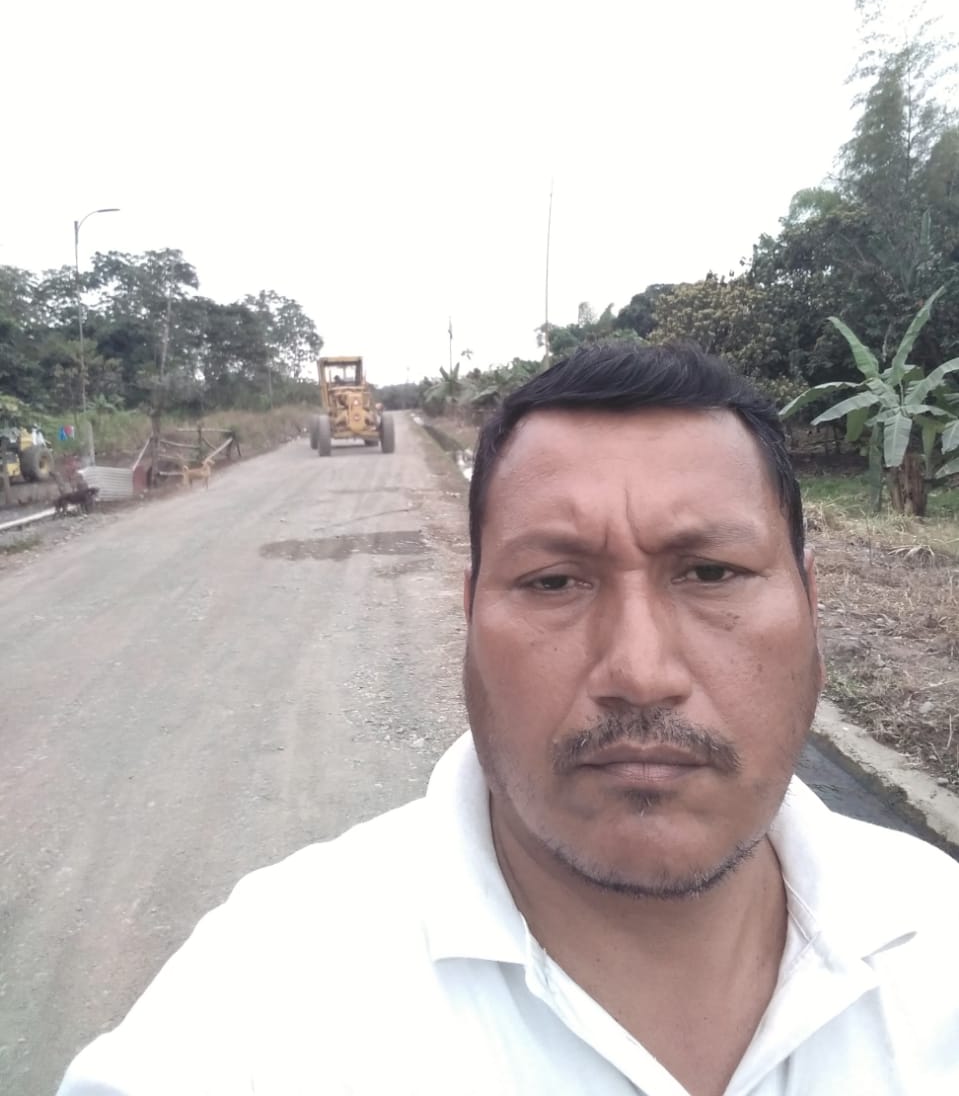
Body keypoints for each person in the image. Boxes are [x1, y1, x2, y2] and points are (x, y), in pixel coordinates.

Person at [59, 344, 958, 1095]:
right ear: (469, 616)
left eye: (711, 573)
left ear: (808, 604)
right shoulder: (262, 997)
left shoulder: (938, 936)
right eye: (553, 582)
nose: (639, 673)